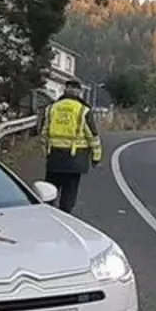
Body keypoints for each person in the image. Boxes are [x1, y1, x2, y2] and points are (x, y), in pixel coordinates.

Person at [40, 79, 102, 213]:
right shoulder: (83, 110)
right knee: (69, 193)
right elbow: (93, 136)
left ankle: (46, 216)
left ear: (64, 90)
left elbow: (44, 132)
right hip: (75, 159)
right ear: (79, 92)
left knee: (49, 191)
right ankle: (65, 218)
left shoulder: (52, 108)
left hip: (54, 156)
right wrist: (96, 157)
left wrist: (46, 152)